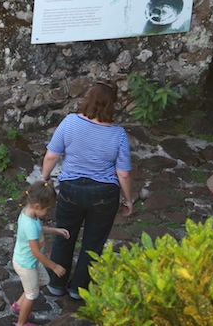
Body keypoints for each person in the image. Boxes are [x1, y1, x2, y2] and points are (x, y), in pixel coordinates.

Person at [41, 80, 134, 301]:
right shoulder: (119, 134)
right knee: (93, 243)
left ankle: (56, 283)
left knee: (64, 235)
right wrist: (129, 200)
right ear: (113, 105)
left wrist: (45, 179)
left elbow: (52, 155)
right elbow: (124, 174)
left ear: (88, 98)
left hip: (70, 188)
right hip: (104, 194)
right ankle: (78, 288)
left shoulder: (70, 122)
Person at [10, 181, 70, 326]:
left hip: (31, 262)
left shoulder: (30, 213)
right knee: (32, 295)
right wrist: (54, 266)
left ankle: (18, 305)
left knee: (43, 282)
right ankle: (21, 323)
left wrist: (55, 230)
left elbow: (38, 229)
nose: (48, 212)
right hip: (26, 264)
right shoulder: (29, 224)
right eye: (48, 209)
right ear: (37, 206)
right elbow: (36, 252)